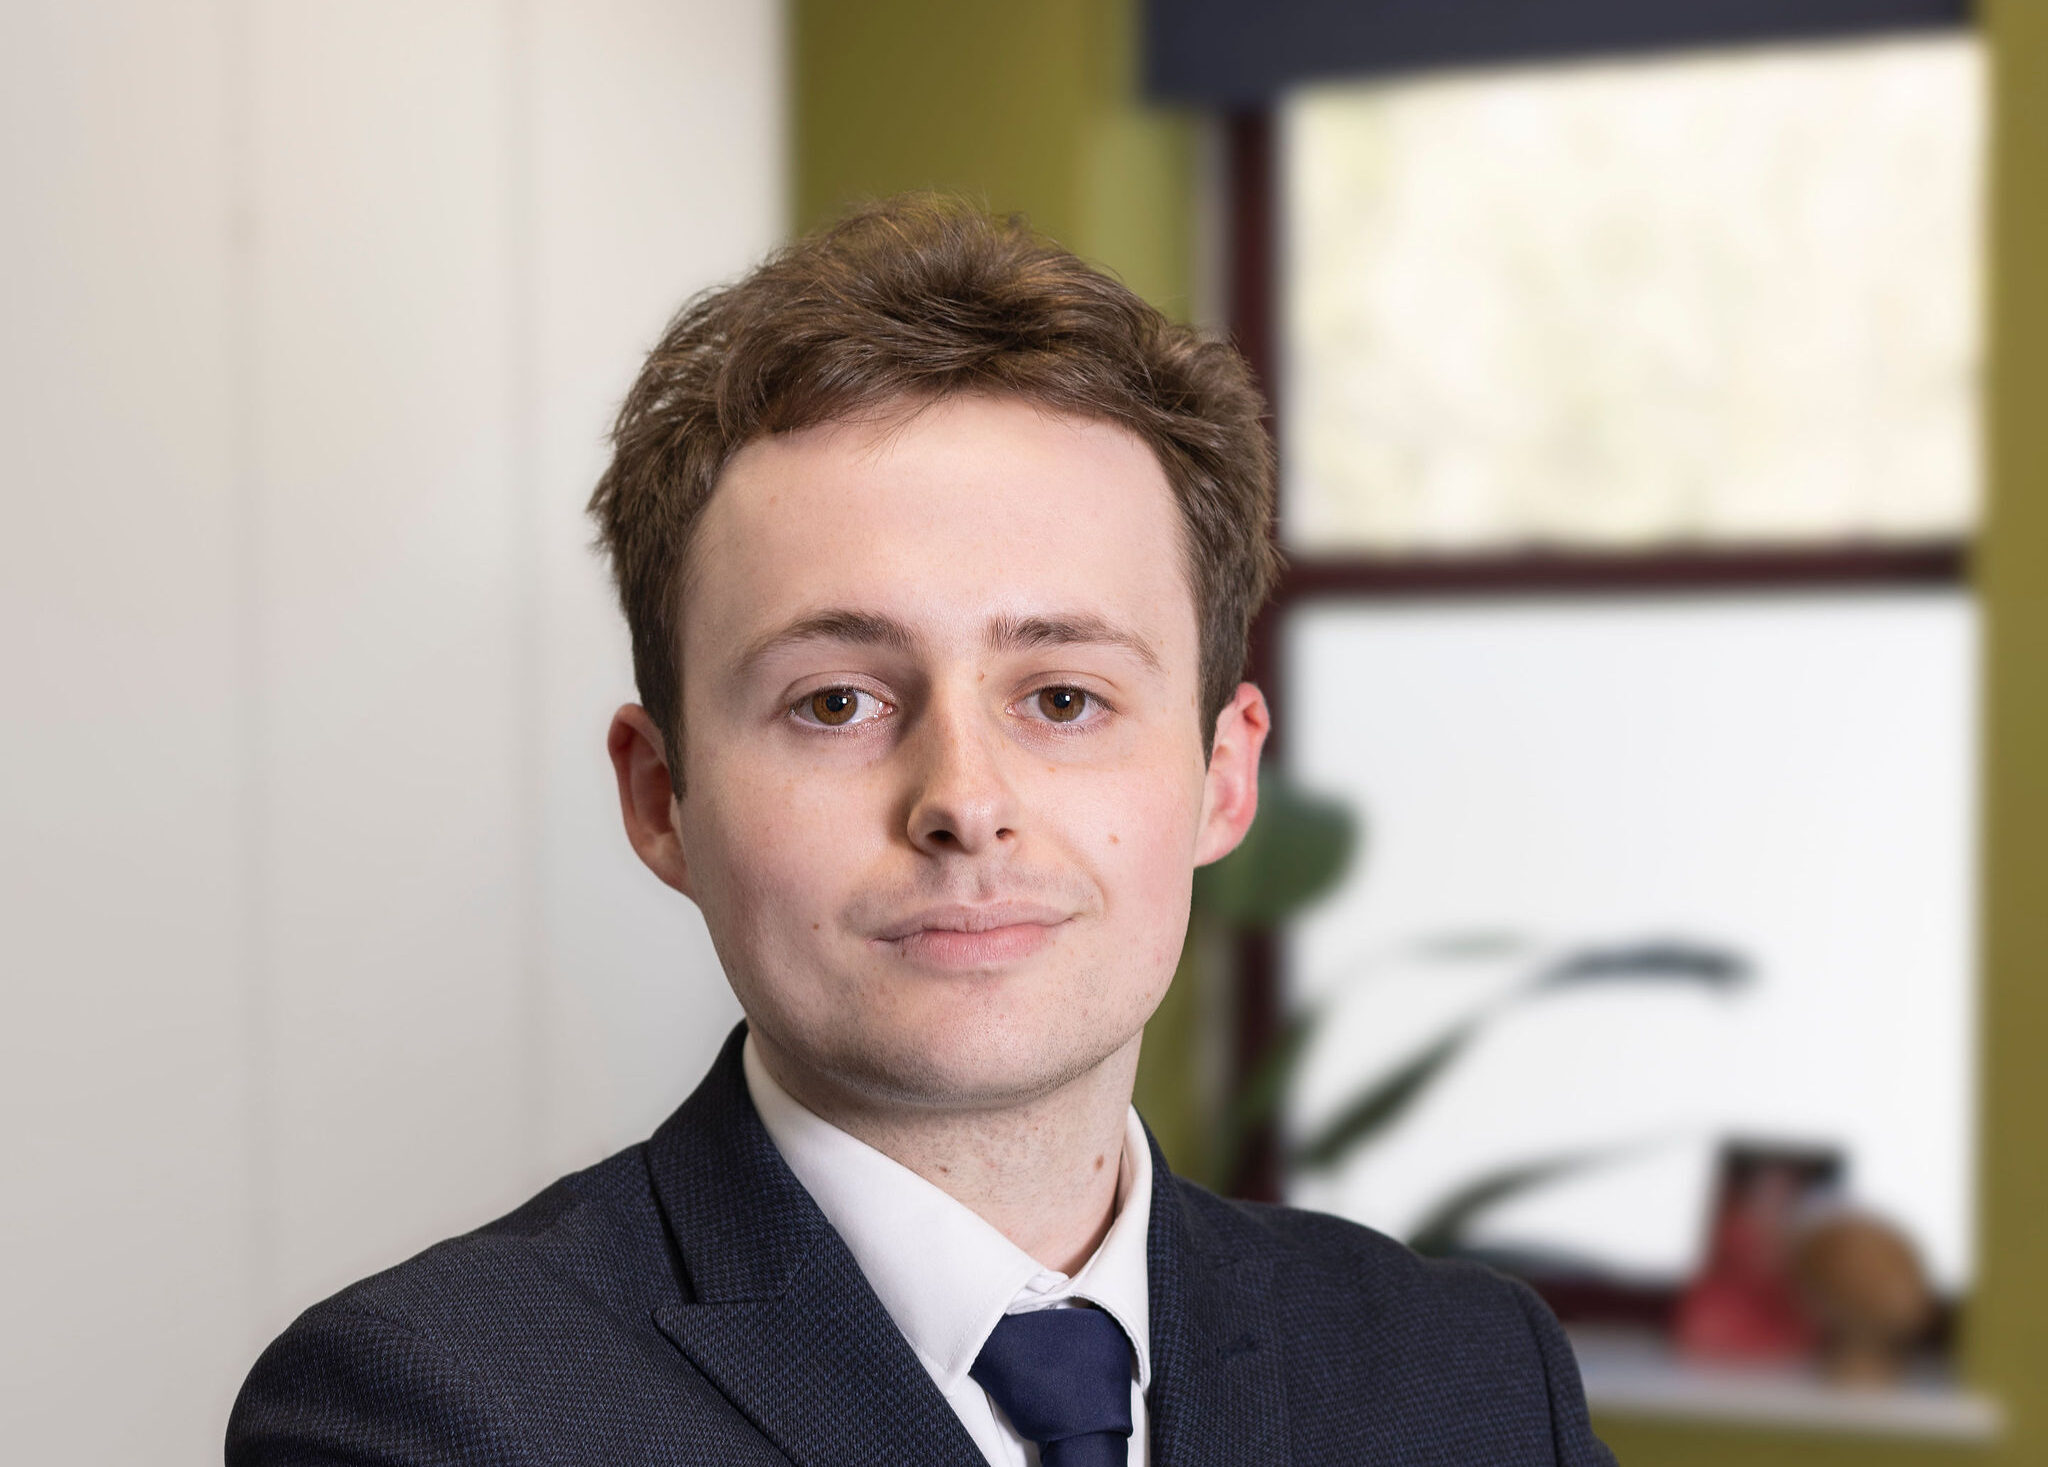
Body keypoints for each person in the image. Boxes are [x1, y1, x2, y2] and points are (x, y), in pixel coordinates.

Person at [226, 196, 1614, 1466]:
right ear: (661, 799)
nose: (964, 800)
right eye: (835, 701)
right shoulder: (425, 1415)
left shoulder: (1475, 1379)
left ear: (1222, 777)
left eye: (1063, 697)